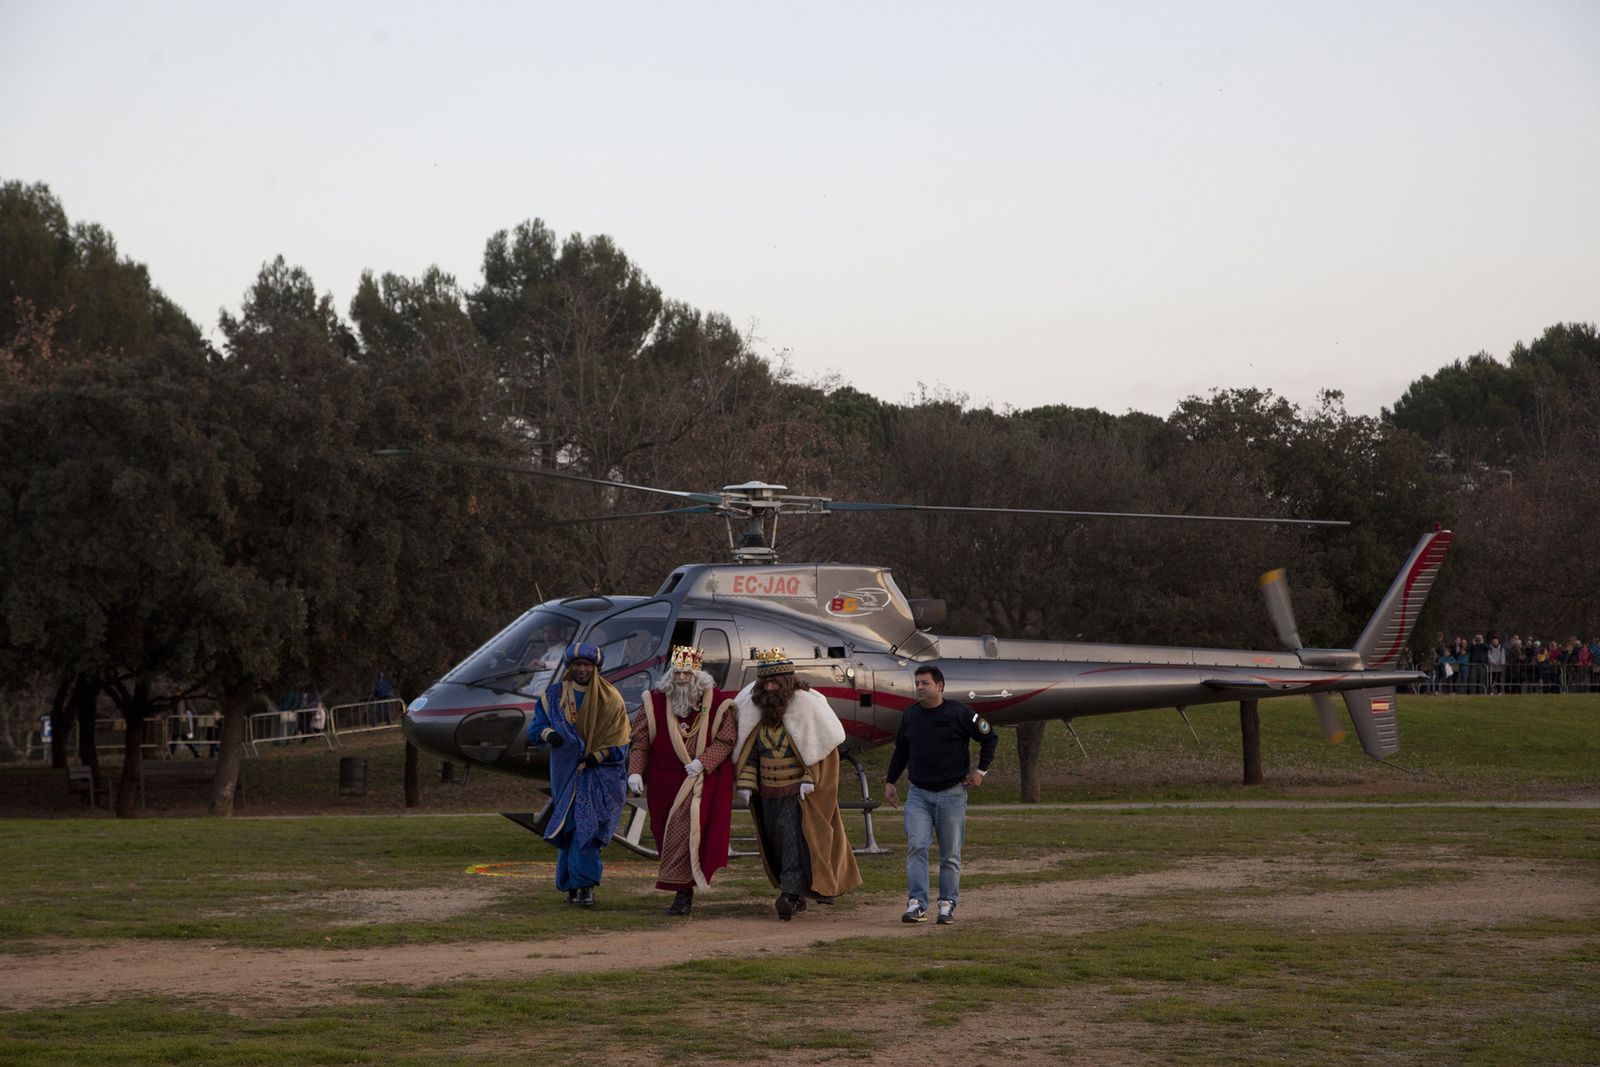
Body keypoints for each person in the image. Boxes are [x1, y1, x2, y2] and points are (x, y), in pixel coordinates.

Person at [732, 648, 861, 920]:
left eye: (775, 682)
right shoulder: (755, 712)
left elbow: (818, 750)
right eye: (765, 682)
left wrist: (809, 779)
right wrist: (745, 783)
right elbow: (751, 752)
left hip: (796, 794)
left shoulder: (807, 707)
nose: (770, 687)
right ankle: (794, 893)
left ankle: (790, 895)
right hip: (767, 792)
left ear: (787, 682)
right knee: (775, 842)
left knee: (793, 842)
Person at [627, 646, 738, 915]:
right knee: (665, 834)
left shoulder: (719, 703)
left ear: (698, 675)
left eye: (687, 673)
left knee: (685, 833)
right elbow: (640, 742)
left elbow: (726, 740)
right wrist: (634, 772)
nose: (681, 678)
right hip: (663, 781)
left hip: (701, 780)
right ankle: (682, 890)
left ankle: (682, 895)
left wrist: (703, 762)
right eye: (677, 673)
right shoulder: (653, 702)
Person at [883, 664, 998, 926]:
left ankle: (947, 905)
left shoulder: (960, 713)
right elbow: (901, 749)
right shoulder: (910, 715)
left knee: (950, 854)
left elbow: (989, 737)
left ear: (940, 686)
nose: (919, 688)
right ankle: (916, 904)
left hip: (952, 794)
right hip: (918, 795)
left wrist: (981, 771)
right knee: (916, 846)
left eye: (925, 683)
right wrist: (891, 781)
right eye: (917, 683)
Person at [525, 642, 631, 906]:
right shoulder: (552, 695)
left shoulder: (611, 697)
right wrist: (549, 734)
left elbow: (621, 741)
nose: (582, 669)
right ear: (570, 667)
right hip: (565, 773)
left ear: (595, 668)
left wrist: (601, 755)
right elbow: (535, 729)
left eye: (587, 665)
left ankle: (586, 888)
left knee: (588, 828)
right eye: (577, 665)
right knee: (569, 829)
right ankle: (570, 887)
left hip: (600, 776)